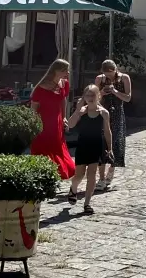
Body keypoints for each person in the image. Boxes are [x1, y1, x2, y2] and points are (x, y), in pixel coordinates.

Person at [66, 85, 113, 214]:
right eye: (87, 95)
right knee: (79, 175)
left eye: (93, 95)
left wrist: (110, 148)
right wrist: (77, 112)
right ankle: (73, 189)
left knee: (91, 175)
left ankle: (87, 203)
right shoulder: (82, 111)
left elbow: (108, 131)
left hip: (97, 145)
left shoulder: (104, 113)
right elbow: (70, 125)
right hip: (83, 145)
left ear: (98, 96)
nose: (90, 98)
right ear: (84, 97)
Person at [30, 59, 75, 181]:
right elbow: (33, 108)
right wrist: (34, 125)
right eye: (65, 70)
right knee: (44, 146)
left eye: (68, 70)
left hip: (57, 120)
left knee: (57, 145)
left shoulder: (64, 83)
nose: (67, 73)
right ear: (56, 70)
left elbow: (63, 100)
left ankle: (57, 169)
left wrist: (65, 116)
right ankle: (44, 170)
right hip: (43, 120)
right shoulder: (41, 88)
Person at [95, 60, 132, 190]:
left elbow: (128, 98)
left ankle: (109, 175)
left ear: (115, 70)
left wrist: (115, 91)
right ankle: (101, 178)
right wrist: (101, 93)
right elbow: (92, 99)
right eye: (106, 75)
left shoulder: (124, 78)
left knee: (115, 145)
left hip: (117, 115)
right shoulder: (100, 79)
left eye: (111, 74)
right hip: (103, 114)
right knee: (102, 145)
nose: (109, 77)